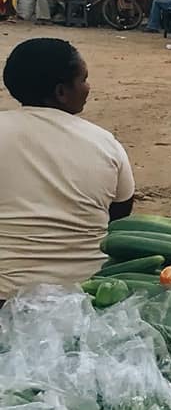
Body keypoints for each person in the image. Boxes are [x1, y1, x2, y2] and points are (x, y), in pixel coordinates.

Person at [0, 38, 134, 298]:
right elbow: (119, 217)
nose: (88, 87)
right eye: (84, 79)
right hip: (85, 296)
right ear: (61, 92)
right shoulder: (104, 143)